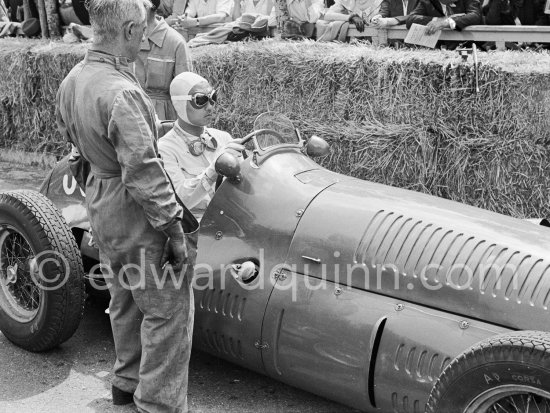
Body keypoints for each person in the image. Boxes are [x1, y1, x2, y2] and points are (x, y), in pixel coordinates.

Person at [55, 1, 199, 412]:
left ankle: (125, 384)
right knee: (168, 312)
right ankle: (158, 404)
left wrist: (97, 195)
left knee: (124, 299)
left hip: (101, 202)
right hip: (134, 207)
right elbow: (144, 172)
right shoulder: (122, 92)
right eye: (143, 31)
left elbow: (75, 152)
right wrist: (173, 229)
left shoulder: (73, 79)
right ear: (132, 30)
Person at [158, 72, 244, 221]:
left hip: (232, 219)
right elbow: (181, 202)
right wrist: (215, 167)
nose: (210, 107)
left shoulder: (223, 138)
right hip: (198, 226)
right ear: (179, 104)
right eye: (201, 100)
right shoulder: (165, 148)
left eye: (212, 97)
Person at [134, 0, 194, 120]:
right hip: (132, 112)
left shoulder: (175, 42)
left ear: (146, 7)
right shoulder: (126, 37)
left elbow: (185, 92)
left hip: (164, 118)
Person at [406, 0, 482, 35]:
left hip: (466, 45)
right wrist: (437, 20)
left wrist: (446, 22)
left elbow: (475, 16)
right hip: (437, 49)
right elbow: (411, 19)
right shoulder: (427, 2)